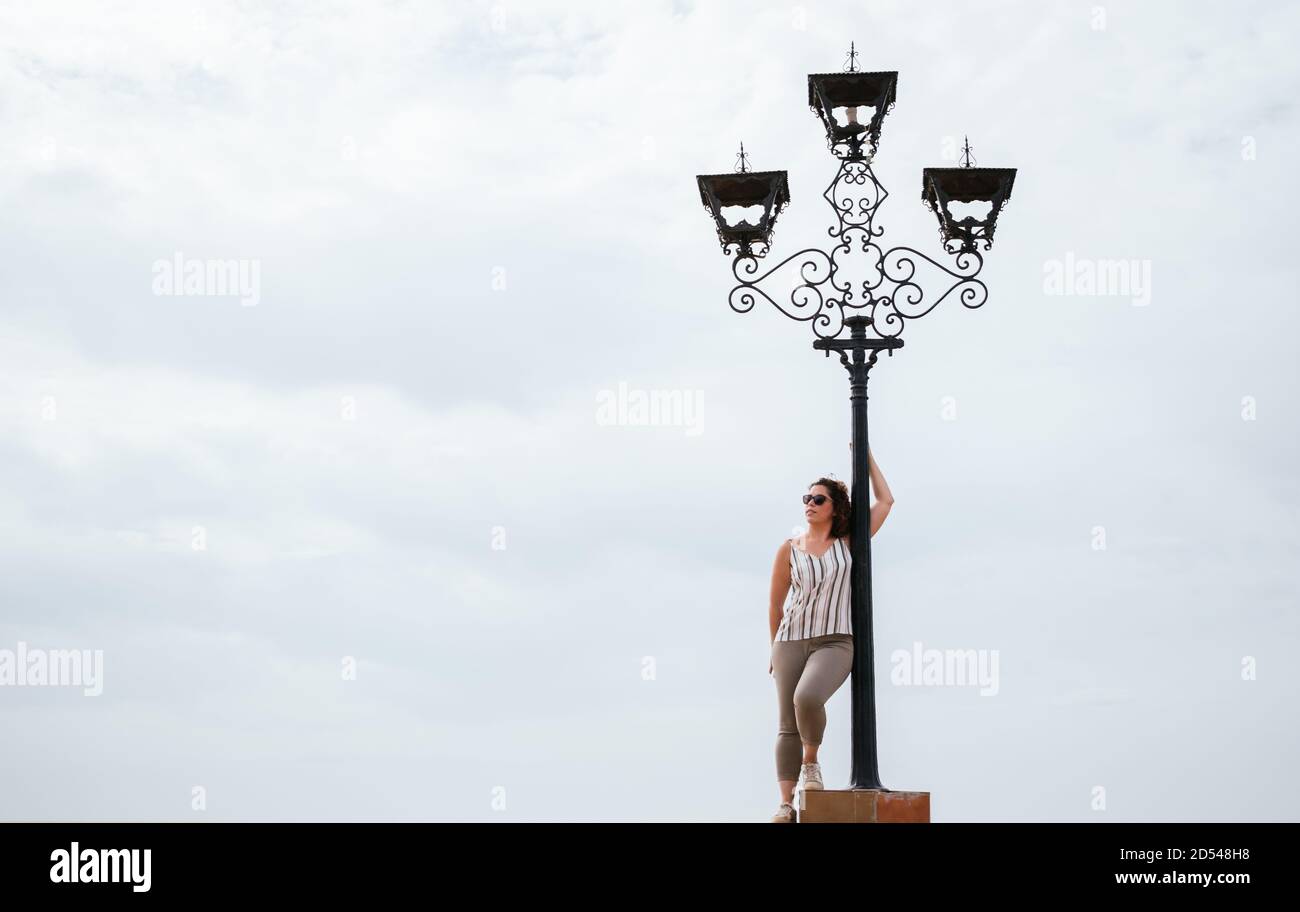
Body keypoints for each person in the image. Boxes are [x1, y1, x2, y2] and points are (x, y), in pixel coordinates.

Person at [767, 446, 894, 823]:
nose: (809, 503)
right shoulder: (788, 549)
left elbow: (886, 501)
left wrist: (865, 456)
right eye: (806, 498)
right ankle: (786, 804)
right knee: (786, 723)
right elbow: (775, 605)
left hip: (836, 640)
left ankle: (811, 765)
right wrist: (772, 649)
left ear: (835, 507)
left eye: (818, 499)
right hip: (790, 640)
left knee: (807, 698)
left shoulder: (849, 542)